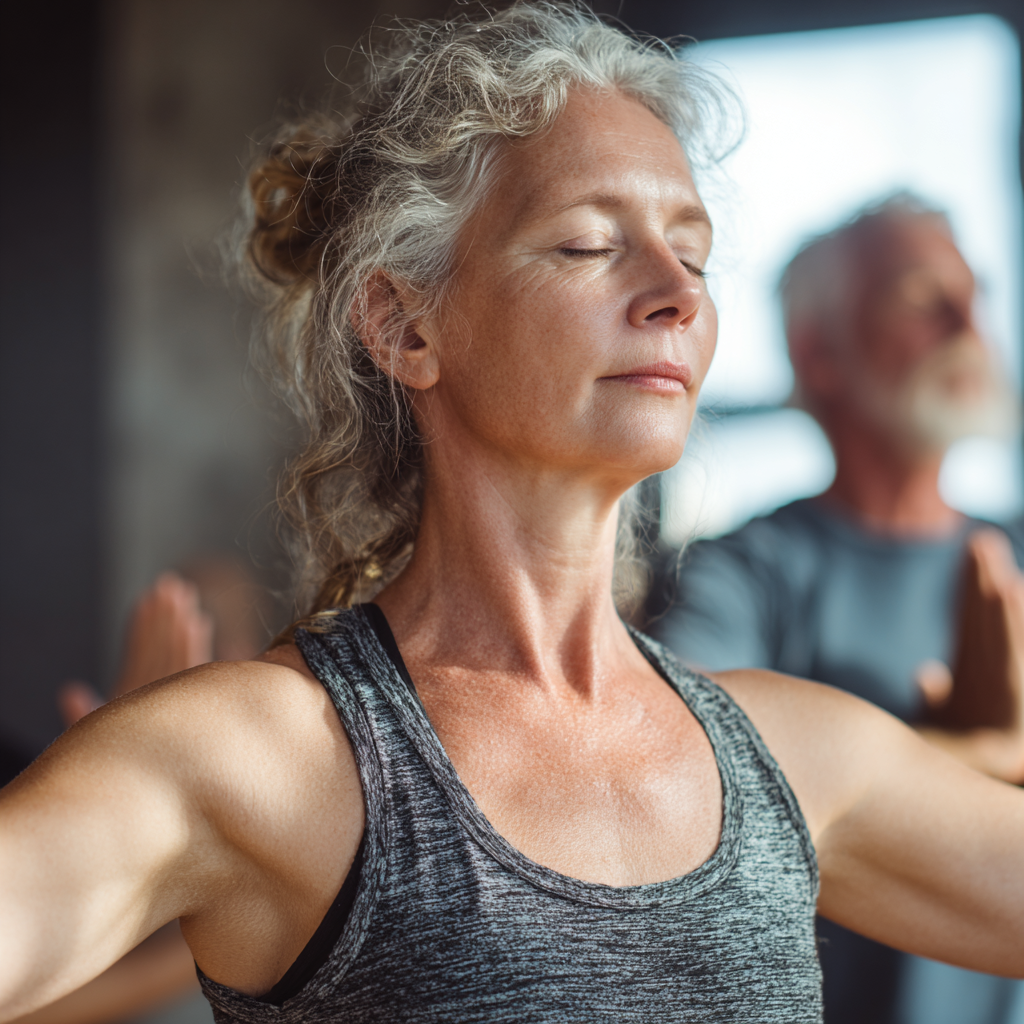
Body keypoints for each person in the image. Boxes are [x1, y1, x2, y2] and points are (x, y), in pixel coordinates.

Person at [2, 7, 1023, 1021]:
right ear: (405, 326)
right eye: (586, 245)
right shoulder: (255, 758)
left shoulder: (797, 759)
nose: (675, 292)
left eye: (694, 255)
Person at [650, 197, 1024, 1023]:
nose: (968, 322)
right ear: (819, 352)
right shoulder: (744, 573)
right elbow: (668, 766)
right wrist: (976, 753)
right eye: (924, 298)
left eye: (975, 294)